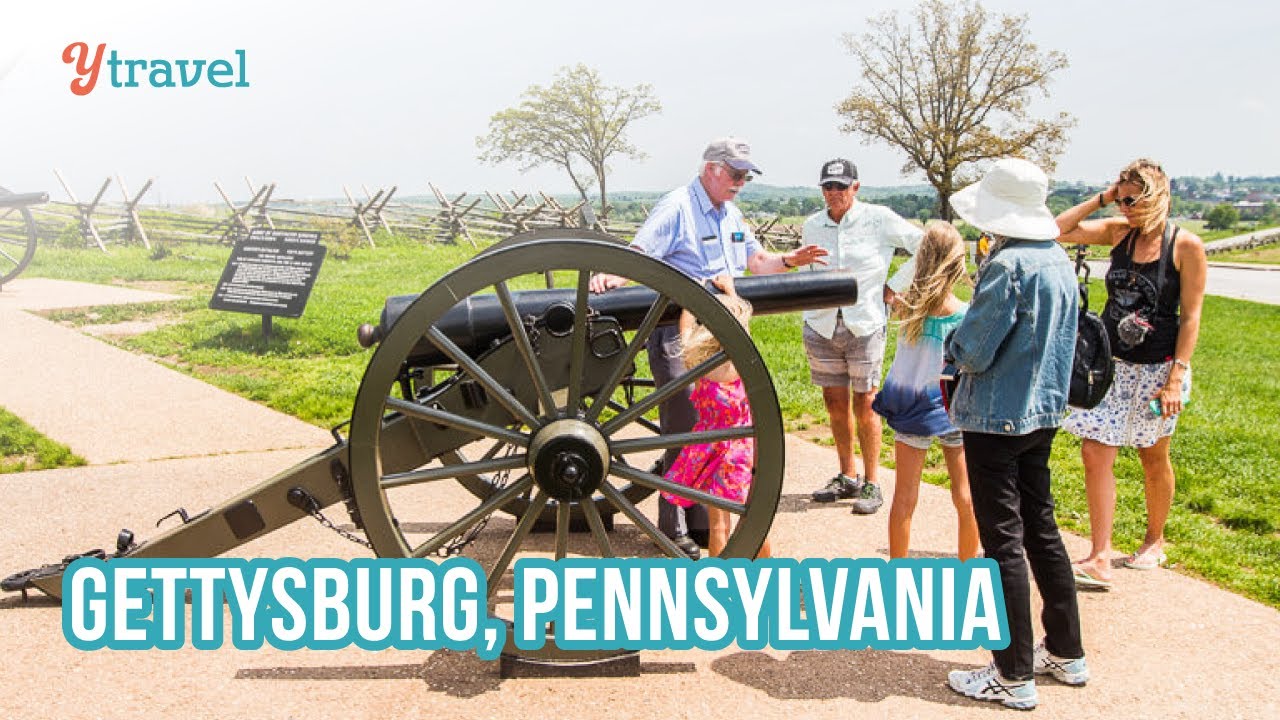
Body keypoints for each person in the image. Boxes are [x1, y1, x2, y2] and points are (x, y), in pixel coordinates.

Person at [589, 137, 827, 559]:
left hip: (724, 336)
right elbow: (641, 251)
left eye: (746, 176)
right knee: (684, 425)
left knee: (718, 427)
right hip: (678, 332)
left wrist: (790, 260)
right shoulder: (677, 207)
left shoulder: (730, 213)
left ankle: (703, 518)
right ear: (712, 169)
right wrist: (615, 277)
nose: (741, 183)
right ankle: (673, 526)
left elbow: (756, 262)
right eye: (736, 174)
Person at [943, 158, 1088, 710]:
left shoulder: (1007, 266)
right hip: (1043, 412)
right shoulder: (1057, 260)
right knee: (1041, 531)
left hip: (995, 416)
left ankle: (1011, 671)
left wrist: (952, 343)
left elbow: (973, 351)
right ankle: (1067, 650)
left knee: (1002, 543)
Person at [1056, 159, 1207, 589]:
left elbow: (1191, 317)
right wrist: (1102, 198)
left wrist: (1175, 378)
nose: (1124, 207)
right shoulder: (1118, 232)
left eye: (1131, 199)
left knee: (1152, 455)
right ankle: (1099, 555)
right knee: (1094, 451)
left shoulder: (1185, 246)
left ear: (1155, 197)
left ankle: (1154, 540)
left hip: (1159, 369)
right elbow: (1056, 230)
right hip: (1113, 366)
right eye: (1120, 199)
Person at [801, 158, 922, 515]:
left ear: (856, 187)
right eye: (828, 186)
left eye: (841, 186)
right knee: (833, 401)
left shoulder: (878, 218)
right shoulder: (812, 225)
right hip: (822, 322)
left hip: (864, 322)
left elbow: (925, 245)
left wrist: (895, 285)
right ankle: (847, 474)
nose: (833, 193)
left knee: (866, 402)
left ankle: (872, 480)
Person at [871, 221, 979, 560]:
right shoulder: (965, 315)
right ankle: (967, 570)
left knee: (904, 497)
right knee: (966, 496)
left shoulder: (906, 309)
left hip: (910, 409)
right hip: (953, 409)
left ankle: (897, 573)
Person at [661, 275, 773, 558]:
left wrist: (693, 298)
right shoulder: (741, 364)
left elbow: (685, 329)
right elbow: (742, 328)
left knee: (718, 526)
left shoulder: (699, 363)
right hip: (741, 449)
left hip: (710, 446)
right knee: (754, 520)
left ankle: (719, 578)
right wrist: (731, 292)